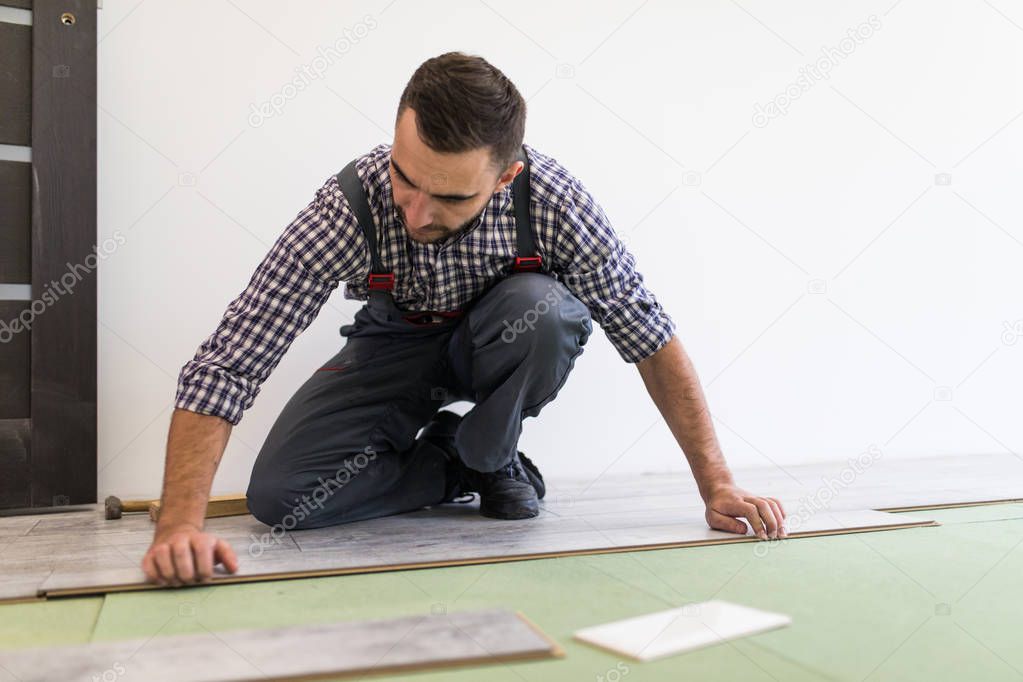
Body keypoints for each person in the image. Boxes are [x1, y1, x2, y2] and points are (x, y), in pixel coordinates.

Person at [142, 52, 786, 586]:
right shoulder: (349, 206)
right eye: (405, 179)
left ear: (506, 175)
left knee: (544, 310)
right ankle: (460, 461)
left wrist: (718, 486)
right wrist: (180, 525)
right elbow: (232, 359)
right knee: (283, 499)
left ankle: (490, 446)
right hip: (394, 347)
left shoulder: (555, 202)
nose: (416, 213)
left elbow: (648, 336)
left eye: (449, 196)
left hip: (499, 341)